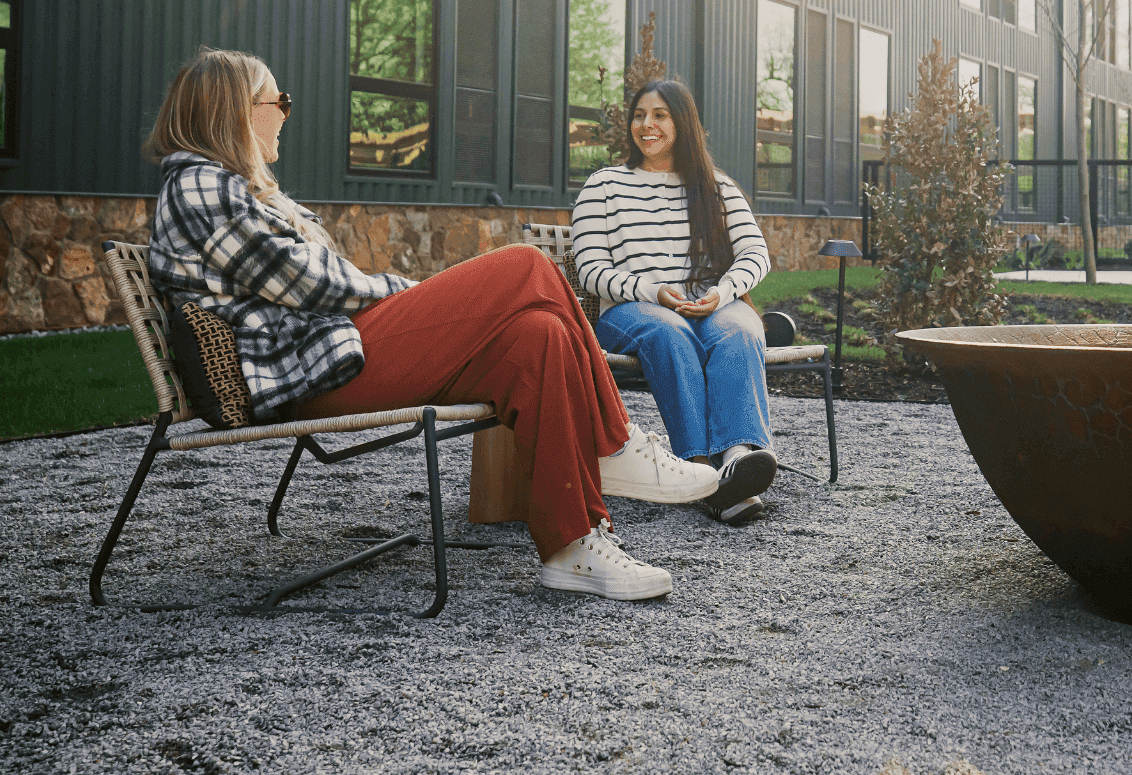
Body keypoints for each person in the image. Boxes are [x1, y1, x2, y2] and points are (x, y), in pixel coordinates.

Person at [143, 47, 718, 602]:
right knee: (527, 266)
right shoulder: (199, 185)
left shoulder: (226, 187)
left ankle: (573, 548)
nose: (285, 112)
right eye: (278, 100)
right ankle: (614, 445)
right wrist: (414, 293)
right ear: (238, 113)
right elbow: (311, 284)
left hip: (329, 353)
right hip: (309, 375)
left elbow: (311, 283)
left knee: (536, 336)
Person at [571, 79, 777, 526]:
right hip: (632, 311)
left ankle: (739, 459)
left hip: (710, 301)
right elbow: (589, 270)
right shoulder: (604, 186)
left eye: (660, 115)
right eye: (640, 115)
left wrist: (722, 293)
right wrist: (653, 292)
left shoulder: (715, 186)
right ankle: (699, 469)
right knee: (671, 331)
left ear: (682, 123)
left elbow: (756, 254)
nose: (647, 125)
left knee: (740, 331)